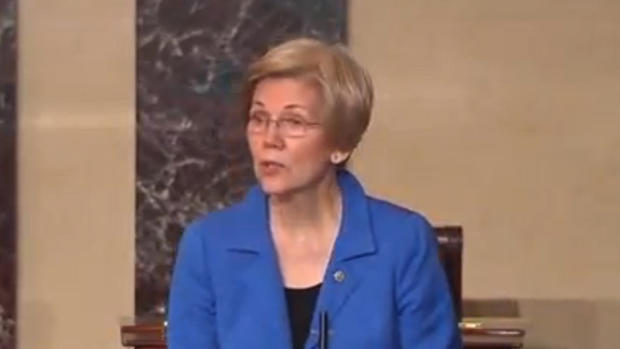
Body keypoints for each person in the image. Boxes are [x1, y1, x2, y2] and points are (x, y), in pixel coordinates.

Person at [167, 38, 461, 349]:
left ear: (341, 144)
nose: (270, 139)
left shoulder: (403, 242)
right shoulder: (207, 247)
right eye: (259, 119)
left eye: (293, 122)